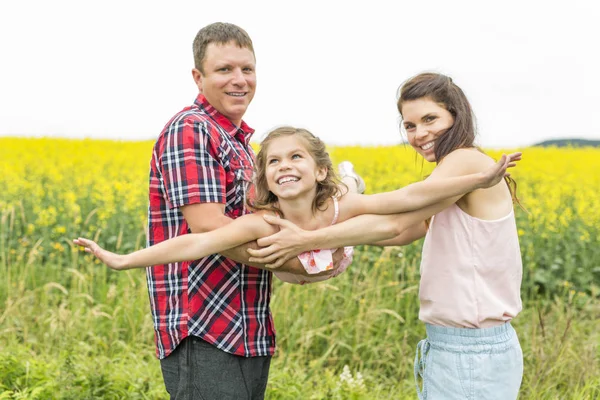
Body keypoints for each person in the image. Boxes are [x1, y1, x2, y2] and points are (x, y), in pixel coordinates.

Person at [245, 73, 525, 400]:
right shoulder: (459, 168)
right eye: (409, 125)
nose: (420, 134)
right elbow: (409, 231)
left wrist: (307, 238)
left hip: (471, 352)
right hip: (460, 346)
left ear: (456, 114)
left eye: (430, 119)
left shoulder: (464, 161)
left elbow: (393, 222)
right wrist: (338, 239)